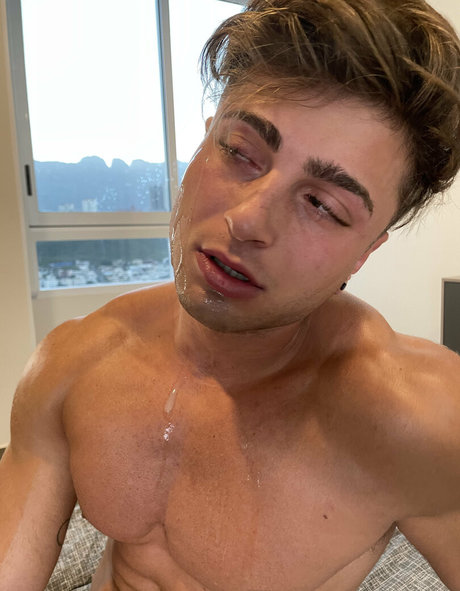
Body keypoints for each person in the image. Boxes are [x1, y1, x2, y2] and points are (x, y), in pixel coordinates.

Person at [2, 0, 460, 589]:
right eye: (241, 153)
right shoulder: (73, 361)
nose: (247, 221)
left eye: (323, 205)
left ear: (366, 251)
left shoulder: (421, 419)